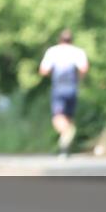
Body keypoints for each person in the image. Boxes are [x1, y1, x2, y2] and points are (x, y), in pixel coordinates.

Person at [39, 29, 89, 157]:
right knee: (68, 117)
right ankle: (65, 141)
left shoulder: (53, 51)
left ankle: (66, 135)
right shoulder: (78, 52)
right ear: (71, 40)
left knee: (57, 117)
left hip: (58, 88)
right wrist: (79, 78)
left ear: (59, 39)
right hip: (72, 87)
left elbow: (43, 70)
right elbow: (84, 68)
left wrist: (52, 74)